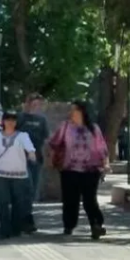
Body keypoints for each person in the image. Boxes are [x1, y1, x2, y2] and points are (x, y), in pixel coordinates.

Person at [48, 101, 108, 239]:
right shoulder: (65, 127)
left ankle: (96, 225)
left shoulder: (93, 128)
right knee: (70, 199)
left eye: (74, 109)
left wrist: (105, 164)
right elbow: (55, 143)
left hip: (91, 169)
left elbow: (102, 148)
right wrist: (52, 160)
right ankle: (69, 225)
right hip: (69, 169)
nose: (71, 112)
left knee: (90, 199)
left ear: (82, 111)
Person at [0, 111, 36, 239]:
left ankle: (15, 228)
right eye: (8, 119)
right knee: (2, 202)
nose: (10, 122)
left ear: (16, 122)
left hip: (18, 175)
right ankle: (4, 229)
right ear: (3, 121)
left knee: (18, 203)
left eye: (13, 119)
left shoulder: (23, 136)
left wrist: (31, 155)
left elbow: (30, 149)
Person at [17, 93, 49, 232]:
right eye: (33, 104)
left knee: (33, 190)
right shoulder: (20, 118)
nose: (35, 107)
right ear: (27, 103)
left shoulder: (42, 120)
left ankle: (25, 217)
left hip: (37, 158)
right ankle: (24, 217)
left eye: (38, 104)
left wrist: (49, 155)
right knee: (26, 186)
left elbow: (46, 139)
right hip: (21, 158)